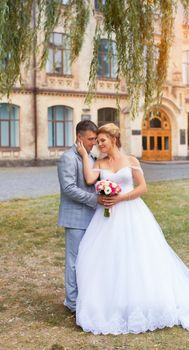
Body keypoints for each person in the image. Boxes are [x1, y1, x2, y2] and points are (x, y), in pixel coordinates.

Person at [75, 123, 189, 334]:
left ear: (114, 139)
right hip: (107, 218)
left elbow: (142, 187)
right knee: (109, 257)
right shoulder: (99, 162)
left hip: (131, 212)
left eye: (102, 140)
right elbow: (88, 179)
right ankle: (114, 301)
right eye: (97, 141)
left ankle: (144, 299)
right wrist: (85, 155)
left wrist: (120, 197)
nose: (99, 144)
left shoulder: (130, 160)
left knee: (138, 257)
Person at [57, 120, 107, 315]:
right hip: (75, 218)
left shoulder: (92, 156)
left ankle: (86, 297)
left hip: (93, 218)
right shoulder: (68, 158)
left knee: (89, 259)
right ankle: (72, 302)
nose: (93, 143)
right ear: (79, 137)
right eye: (90, 139)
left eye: (95, 139)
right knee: (74, 260)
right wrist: (95, 200)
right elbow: (69, 189)